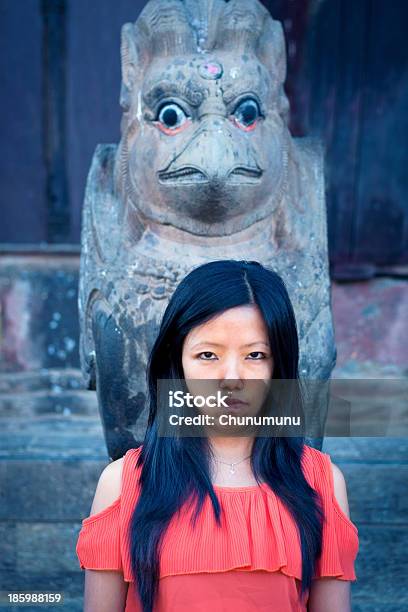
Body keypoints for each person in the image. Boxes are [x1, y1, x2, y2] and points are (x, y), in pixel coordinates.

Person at [76, 260, 359, 612]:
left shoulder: (321, 483)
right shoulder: (122, 485)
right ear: (177, 363)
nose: (231, 377)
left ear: (280, 364)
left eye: (255, 355)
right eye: (207, 355)